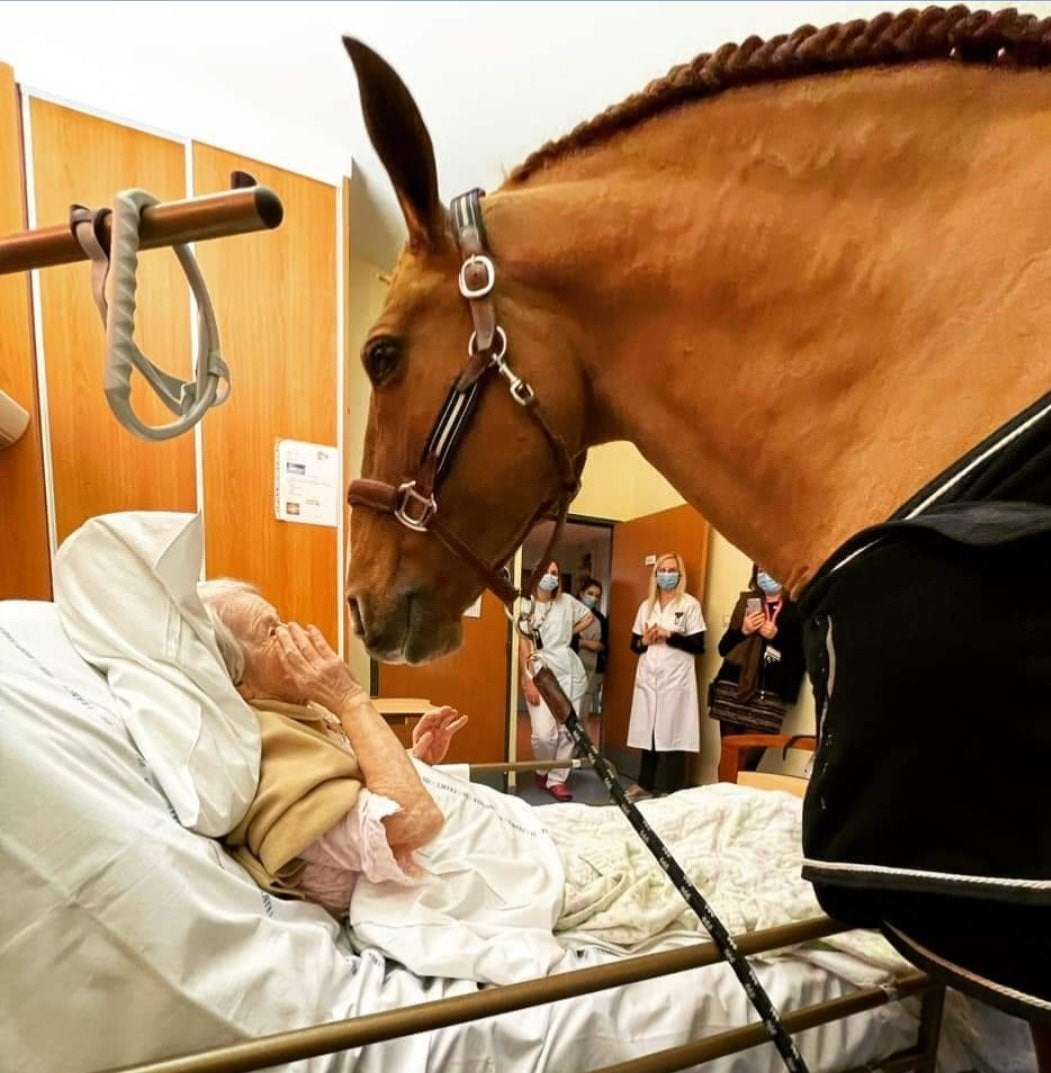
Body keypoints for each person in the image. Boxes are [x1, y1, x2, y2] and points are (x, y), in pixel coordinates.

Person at [197, 577, 467, 913]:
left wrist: (414, 760)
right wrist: (350, 699)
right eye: (271, 633)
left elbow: (356, 787)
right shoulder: (267, 747)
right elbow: (412, 823)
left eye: (283, 623)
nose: (295, 635)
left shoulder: (300, 714)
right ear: (240, 683)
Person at [626, 553, 706, 801]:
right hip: (649, 676)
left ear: (680, 575)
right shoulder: (646, 606)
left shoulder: (689, 605)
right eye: (662, 570)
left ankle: (672, 792)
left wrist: (670, 635)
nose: (666, 575)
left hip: (676, 679)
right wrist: (645, 640)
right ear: (655, 574)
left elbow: (698, 645)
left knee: (674, 733)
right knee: (648, 732)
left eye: (672, 570)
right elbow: (634, 645)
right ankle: (645, 785)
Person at [519, 560, 594, 802]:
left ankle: (557, 779)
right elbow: (524, 644)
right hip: (540, 670)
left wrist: (569, 632)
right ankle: (543, 768)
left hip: (569, 670)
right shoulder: (525, 605)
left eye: (555, 573)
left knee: (568, 731)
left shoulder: (567, 601)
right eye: (546, 572)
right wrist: (527, 679)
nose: (550, 577)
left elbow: (589, 616)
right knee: (543, 734)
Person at [709, 564, 806, 739]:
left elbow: (802, 654)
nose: (766, 576)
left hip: (771, 692)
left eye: (771, 570)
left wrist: (777, 635)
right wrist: (743, 631)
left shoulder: (796, 608)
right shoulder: (747, 602)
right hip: (733, 687)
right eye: (761, 571)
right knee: (729, 759)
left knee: (748, 763)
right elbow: (723, 648)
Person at [570, 576, 609, 725]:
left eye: (597, 596)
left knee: (581, 717)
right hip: (567, 670)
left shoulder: (600, 619)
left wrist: (599, 647)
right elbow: (562, 639)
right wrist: (584, 643)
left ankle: (579, 748)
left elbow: (604, 645)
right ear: (581, 593)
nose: (593, 598)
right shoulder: (569, 613)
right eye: (590, 593)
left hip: (589, 673)